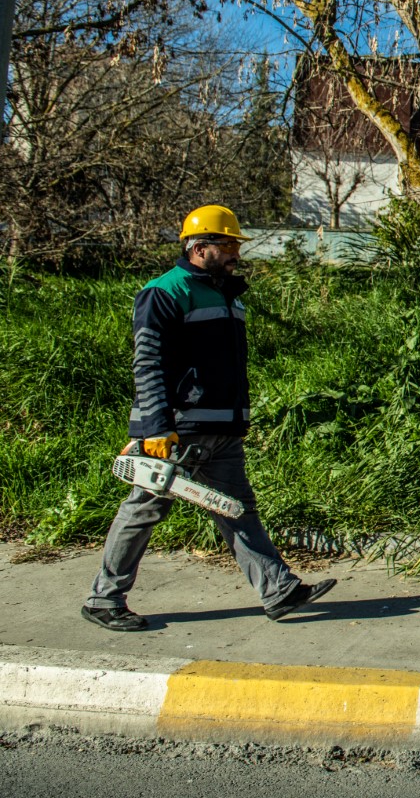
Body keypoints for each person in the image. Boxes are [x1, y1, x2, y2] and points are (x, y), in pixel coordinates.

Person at [81, 206, 335, 631]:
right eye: (229, 244)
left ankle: (278, 589)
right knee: (144, 509)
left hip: (220, 428)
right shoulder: (164, 292)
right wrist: (158, 429)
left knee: (238, 510)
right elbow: (148, 365)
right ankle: (103, 599)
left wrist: (237, 418)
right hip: (177, 430)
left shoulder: (225, 294)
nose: (237, 251)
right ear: (200, 248)